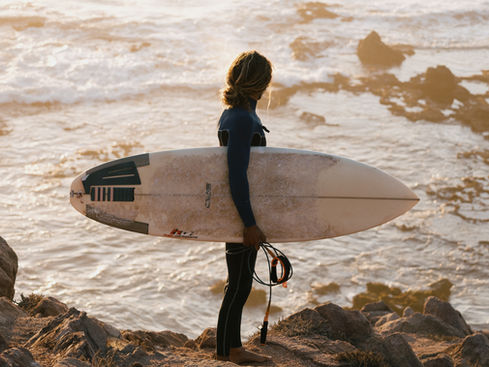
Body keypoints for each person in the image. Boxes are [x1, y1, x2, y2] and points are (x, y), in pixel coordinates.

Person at [215, 51, 272, 364]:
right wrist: (249, 223)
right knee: (239, 283)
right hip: (240, 211)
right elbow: (236, 174)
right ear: (262, 84)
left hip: (237, 208)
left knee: (238, 281)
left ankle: (228, 347)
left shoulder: (233, 114)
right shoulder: (242, 119)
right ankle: (230, 351)